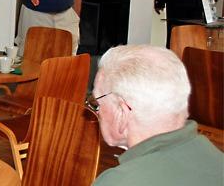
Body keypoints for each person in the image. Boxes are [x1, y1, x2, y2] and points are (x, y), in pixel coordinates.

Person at [90, 44, 223, 185]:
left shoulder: (118, 181)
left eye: (97, 105)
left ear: (122, 112)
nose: (97, 113)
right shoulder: (217, 162)